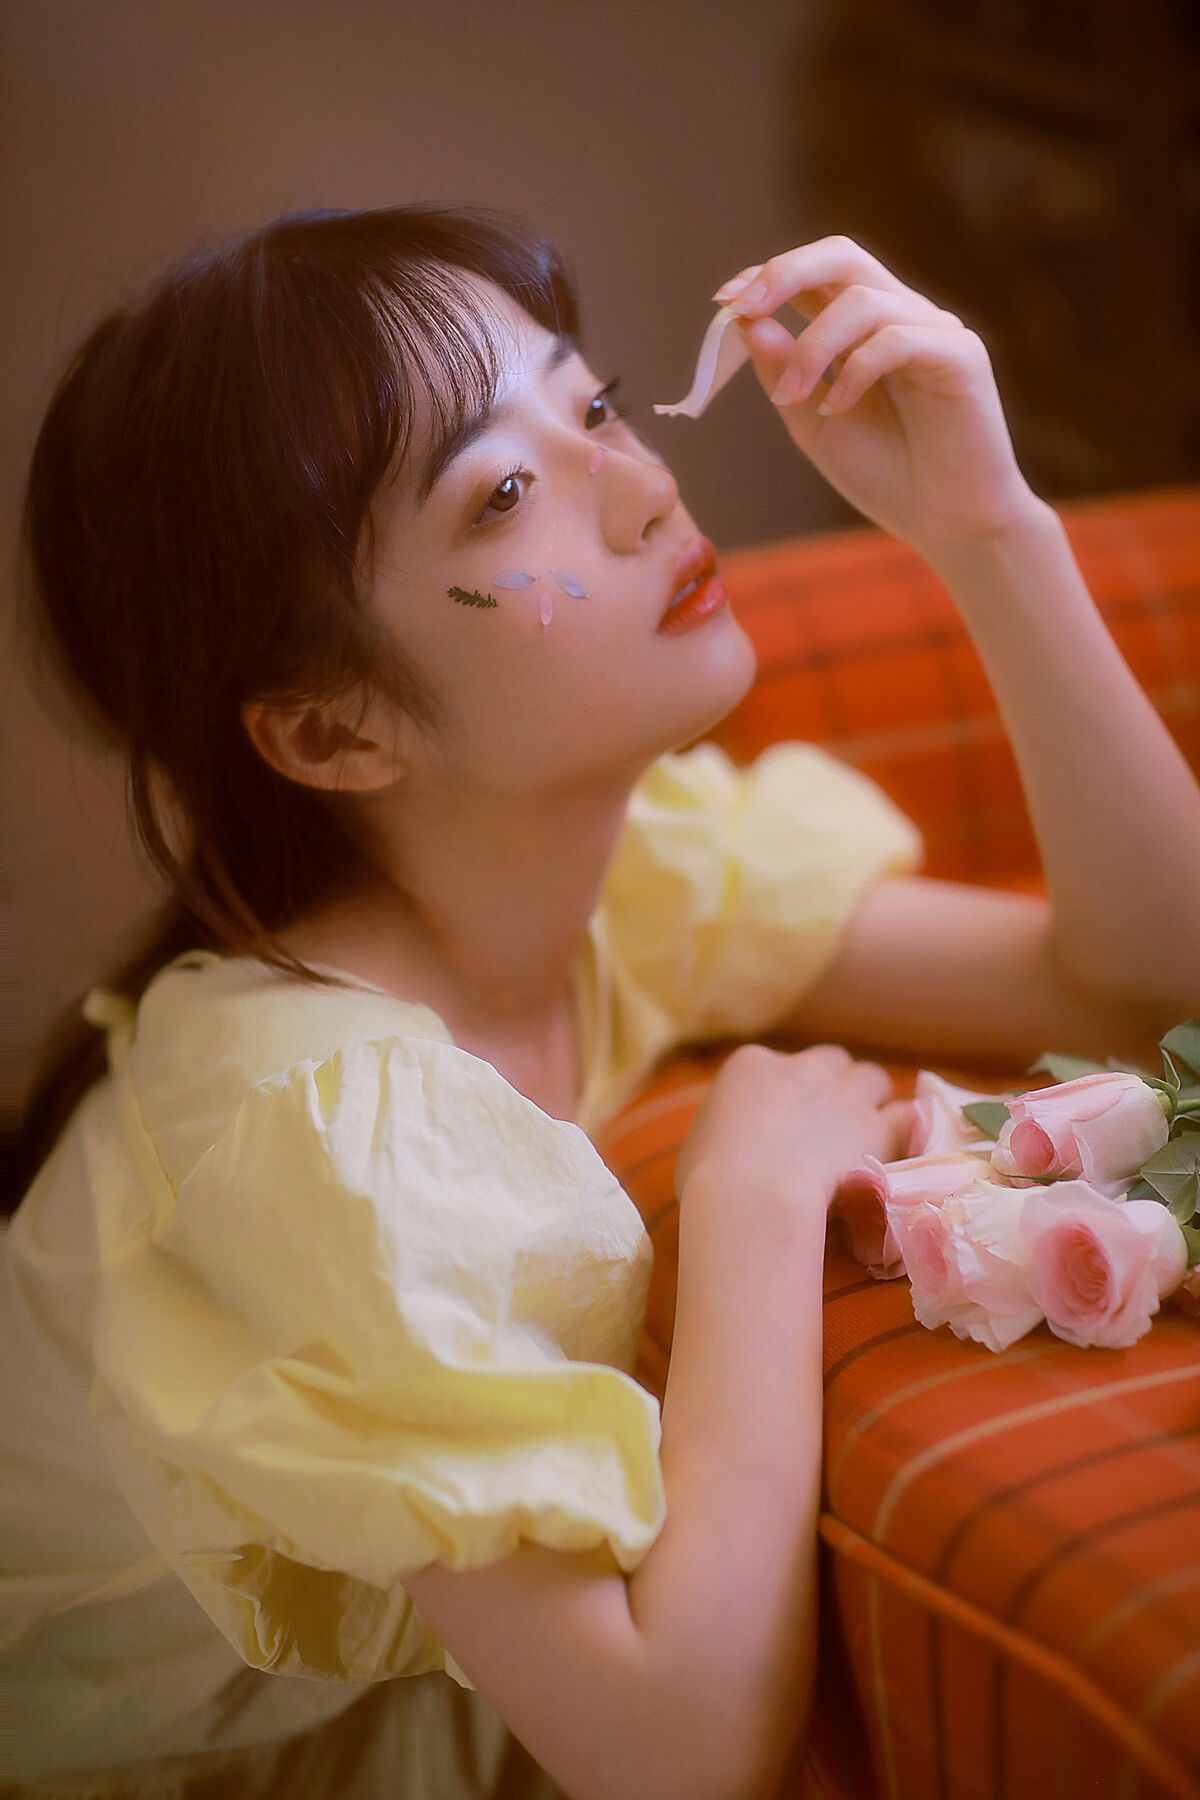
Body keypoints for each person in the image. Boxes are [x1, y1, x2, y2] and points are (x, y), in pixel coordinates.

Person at [4, 203, 1197, 1800]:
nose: (640, 490)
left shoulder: (614, 877)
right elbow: (675, 1751)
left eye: (600, 407)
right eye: (502, 495)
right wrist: (751, 1200)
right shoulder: (315, 1128)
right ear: (335, 733)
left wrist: (988, 526)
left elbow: (1141, 978)